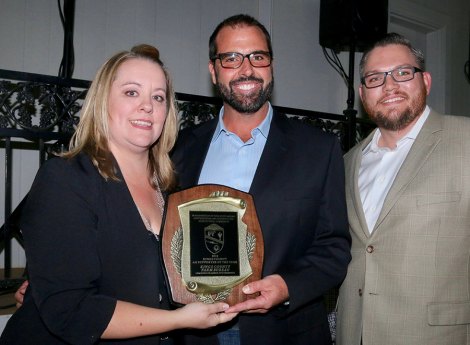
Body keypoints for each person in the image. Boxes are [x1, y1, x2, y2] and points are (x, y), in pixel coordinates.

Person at [1, 44, 237, 345]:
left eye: (158, 97)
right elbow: (71, 309)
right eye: (131, 92)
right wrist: (178, 320)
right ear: (103, 102)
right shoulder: (66, 179)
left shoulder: (171, 190)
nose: (147, 106)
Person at [171, 14, 351, 345]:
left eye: (258, 56)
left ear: (271, 66)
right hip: (198, 332)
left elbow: (335, 247)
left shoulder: (318, 149)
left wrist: (286, 287)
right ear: (213, 70)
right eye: (231, 58)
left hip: (286, 331)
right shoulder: (180, 149)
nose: (247, 68)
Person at [336, 33, 470, 345]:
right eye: (375, 78)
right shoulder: (347, 162)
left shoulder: (466, 141)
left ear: (426, 81)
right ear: (362, 92)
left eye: (402, 73)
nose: (389, 86)